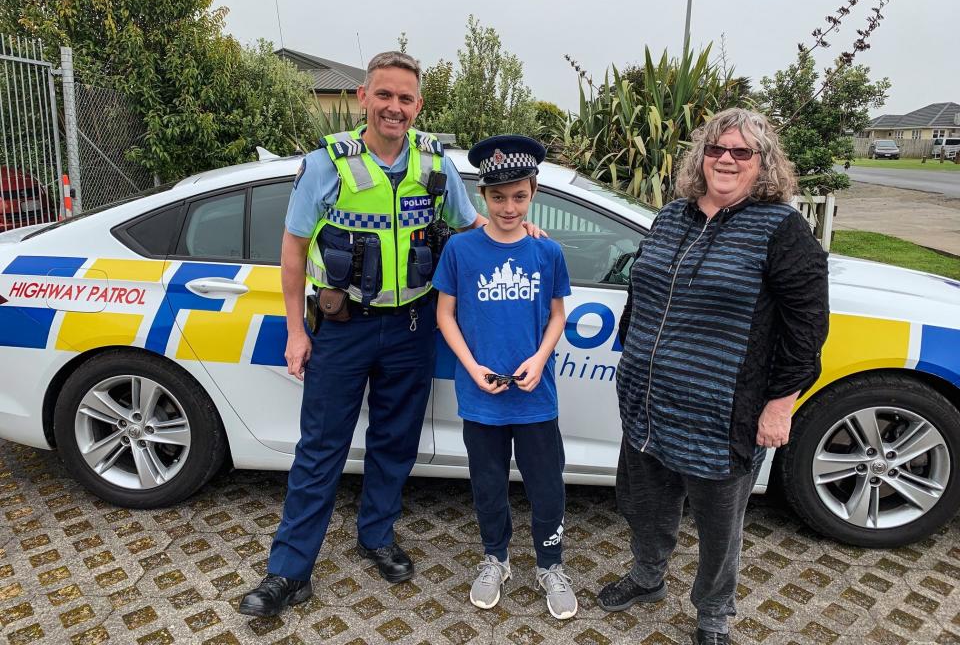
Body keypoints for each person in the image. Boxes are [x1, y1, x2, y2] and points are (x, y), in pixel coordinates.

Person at [240, 52, 504, 617]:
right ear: (363, 98)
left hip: (411, 326)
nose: (394, 107)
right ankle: (288, 571)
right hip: (341, 329)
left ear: (418, 106)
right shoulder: (327, 165)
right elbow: (292, 249)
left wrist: (515, 230)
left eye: (405, 99)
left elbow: (468, 224)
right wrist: (294, 330)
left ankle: (376, 535)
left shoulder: (437, 164)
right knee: (320, 450)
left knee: (395, 442)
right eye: (384, 95)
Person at [601, 108, 829, 645]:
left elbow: (807, 326)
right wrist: (631, 354)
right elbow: (642, 293)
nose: (725, 159)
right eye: (715, 149)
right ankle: (646, 576)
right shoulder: (672, 215)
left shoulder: (781, 229)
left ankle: (713, 614)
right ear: (700, 156)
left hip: (722, 410)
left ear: (763, 164)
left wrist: (780, 403)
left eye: (741, 152)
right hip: (649, 402)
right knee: (645, 504)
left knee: (719, 526)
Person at [433, 135, 577, 620]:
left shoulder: (547, 252)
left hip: (536, 397)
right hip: (482, 397)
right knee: (488, 484)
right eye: (498, 197)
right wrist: (472, 368)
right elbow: (446, 316)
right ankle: (495, 556)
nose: (509, 206)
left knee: (546, 485)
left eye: (519, 196)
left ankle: (550, 563)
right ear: (483, 197)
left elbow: (558, 315)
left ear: (533, 192)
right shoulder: (460, 250)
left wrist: (539, 359)